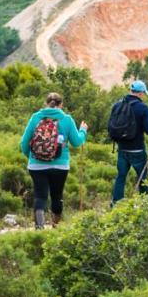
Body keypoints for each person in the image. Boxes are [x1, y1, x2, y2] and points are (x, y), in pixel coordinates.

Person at [19, 91, 87, 229]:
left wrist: (32, 157)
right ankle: (56, 227)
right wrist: (83, 130)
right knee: (57, 195)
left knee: (40, 196)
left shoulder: (35, 118)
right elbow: (77, 142)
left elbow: (23, 143)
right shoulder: (67, 119)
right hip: (60, 166)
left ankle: (39, 229)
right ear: (61, 105)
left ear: (46, 104)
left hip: (36, 165)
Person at [109, 79, 148, 204]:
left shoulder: (117, 105)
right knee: (143, 178)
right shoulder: (143, 108)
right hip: (137, 150)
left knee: (121, 177)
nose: (143, 96)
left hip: (122, 149)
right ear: (140, 93)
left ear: (131, 91)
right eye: (143, 93)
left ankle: (115, 204)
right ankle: (145, 203)